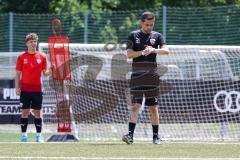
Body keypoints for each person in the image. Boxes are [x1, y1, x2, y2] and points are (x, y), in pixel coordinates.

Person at [122, 12, 169, 144]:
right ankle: (130, 136)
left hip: (151, 77)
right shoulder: (133, 35)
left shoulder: (157, 36)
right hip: (137, 76)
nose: (149, 27)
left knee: (153, 108)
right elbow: (129, 55)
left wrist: (153, 50)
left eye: (152, 24)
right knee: (135, 106)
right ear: (141, 23)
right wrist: (142, 52)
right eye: (147, 24)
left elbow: (166, 50)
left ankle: (155, 137)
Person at [15, 33, 51, 142]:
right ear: (27, 43)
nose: (33, 44)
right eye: (31, 42)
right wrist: (17, 88)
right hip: (25, 90)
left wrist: (52, 70)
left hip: (37, 90)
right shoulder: (21, 57)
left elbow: (46, 74)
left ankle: (39, 136)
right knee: (24, 112)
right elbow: (17, 75)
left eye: (35, 41)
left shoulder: (42, 57)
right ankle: (24, 136)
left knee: (37, 113)